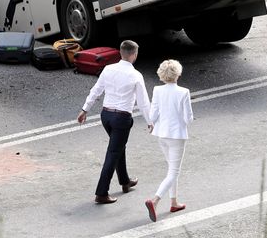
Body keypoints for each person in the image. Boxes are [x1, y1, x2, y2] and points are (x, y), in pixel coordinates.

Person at [76, 40, 151, 205]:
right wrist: (150, 121)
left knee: (118, 147)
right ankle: (101, 193)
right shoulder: (136, 75)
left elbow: (96, 90)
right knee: (113, 153)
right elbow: (143, 102)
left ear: (121, 53)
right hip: (121, 119)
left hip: (106, 116)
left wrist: (85, 109)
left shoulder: (108, 69)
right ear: (134, 54)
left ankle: (125, 181)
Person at [145, 59, 195, 221]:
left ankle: (174, 202)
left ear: (162, 74)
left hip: (161, 134)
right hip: (177, 136)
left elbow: (153, 116)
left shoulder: (157, 90)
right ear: (178, 74)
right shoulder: (184, 92)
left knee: (172, 170)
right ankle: (155, 200)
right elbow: (188, 119)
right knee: (174, 171)